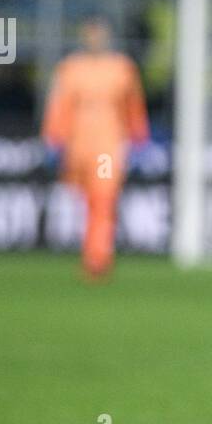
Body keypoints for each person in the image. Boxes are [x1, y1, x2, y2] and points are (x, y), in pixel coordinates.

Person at [41, 16, 149, 280]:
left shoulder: (122, 68)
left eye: (98, 34)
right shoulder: (70, 68)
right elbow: (59, 105)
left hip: (107, 146)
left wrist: (139, 137)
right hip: (78, 146)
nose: (94, 39)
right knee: (86, 200)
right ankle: (93, 250)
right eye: (90, 34)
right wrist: (53, 138)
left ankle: (97, 257)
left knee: (103, 199)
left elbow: (132, 105)